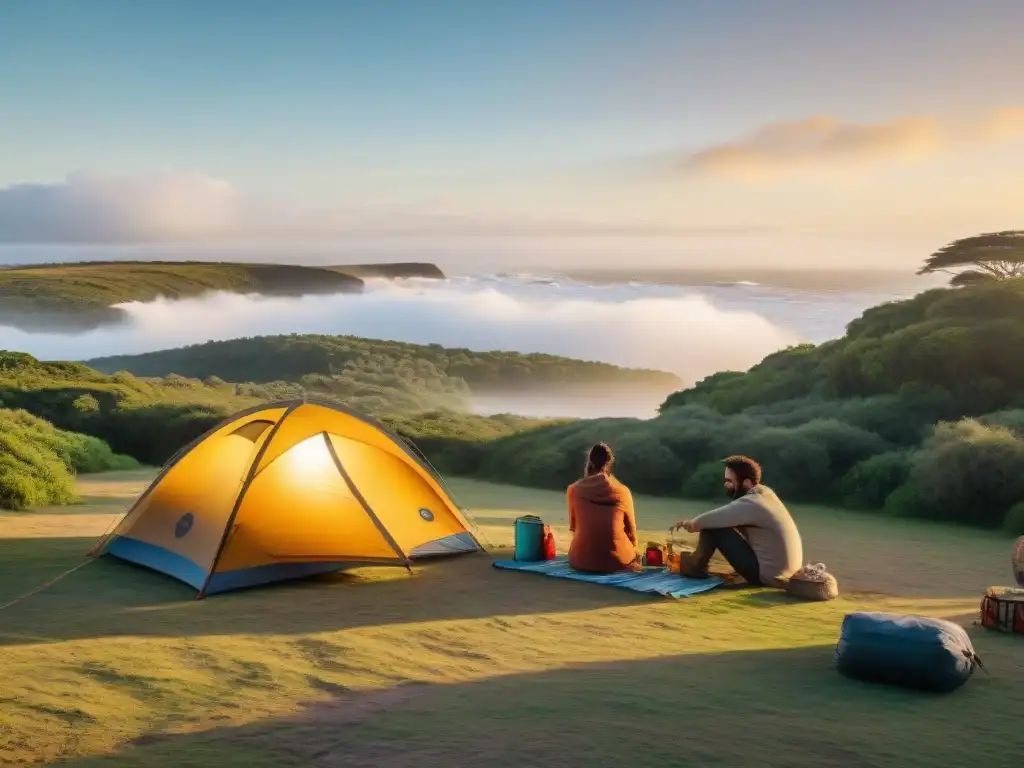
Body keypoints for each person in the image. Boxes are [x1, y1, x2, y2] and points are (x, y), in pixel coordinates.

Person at [671, 455, 802, 587]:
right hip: (784, 574)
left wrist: (689, 524)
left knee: (712, 527)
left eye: (729, 480)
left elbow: (705, 521)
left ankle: (694, 568)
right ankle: (694, 565)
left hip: (768, 577)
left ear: (746, 483)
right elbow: (729, 517)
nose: (726, 485)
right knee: (718, 524)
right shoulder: (766, 494)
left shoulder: (752, 503)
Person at [567, 442, 641, 573]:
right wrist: (633, 552)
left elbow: (574, 527)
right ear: (609, 464)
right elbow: (631, 533)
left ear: (589, 462)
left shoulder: (573, 490)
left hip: (580, 560)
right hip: (617, 562)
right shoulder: (622, 491)